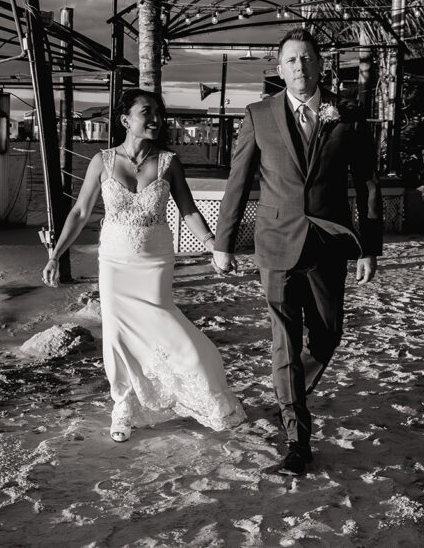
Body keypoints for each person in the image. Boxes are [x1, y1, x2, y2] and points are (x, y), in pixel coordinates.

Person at [211, 26, 382, 475]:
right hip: (275, 244)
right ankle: (296, 439)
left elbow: (366, 183)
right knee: (282, 341)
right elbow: (239, 181)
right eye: (290, 60)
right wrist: (223, 243)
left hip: (329, 242)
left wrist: (370, 247)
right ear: (279, 67)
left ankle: (290, 393)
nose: (299, 67)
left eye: (306, 58)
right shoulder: (258, 114)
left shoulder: (347, 114)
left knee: (328, 335)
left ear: (320, 64)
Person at [42, 88, 245, 442]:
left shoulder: (168, 161)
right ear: (125, 120)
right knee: (118, 337)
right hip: (115, 262)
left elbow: (189, 210)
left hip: (154, 261)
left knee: (172, 330)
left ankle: (208, 393)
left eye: (158, 113)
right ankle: (123, 404)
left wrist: (213, 245)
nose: (156, 119)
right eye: (146, 112)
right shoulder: (101, 162)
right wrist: (55, 255)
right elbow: (79, 212)